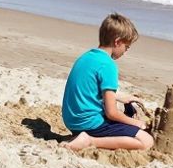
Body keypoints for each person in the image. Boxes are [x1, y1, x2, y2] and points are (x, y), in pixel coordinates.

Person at [61, 13, 153, 152]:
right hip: (90, 125)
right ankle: (90, 141)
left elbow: (88, 89)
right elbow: (111, 113)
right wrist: (137, 123)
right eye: (126, 47)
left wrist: (120, 97)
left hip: (72, 121)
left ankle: (86, 137)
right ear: (117, 42)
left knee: (128, 109)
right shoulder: (108, 65)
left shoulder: (86, 57)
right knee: (146, 140)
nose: (125, 52)